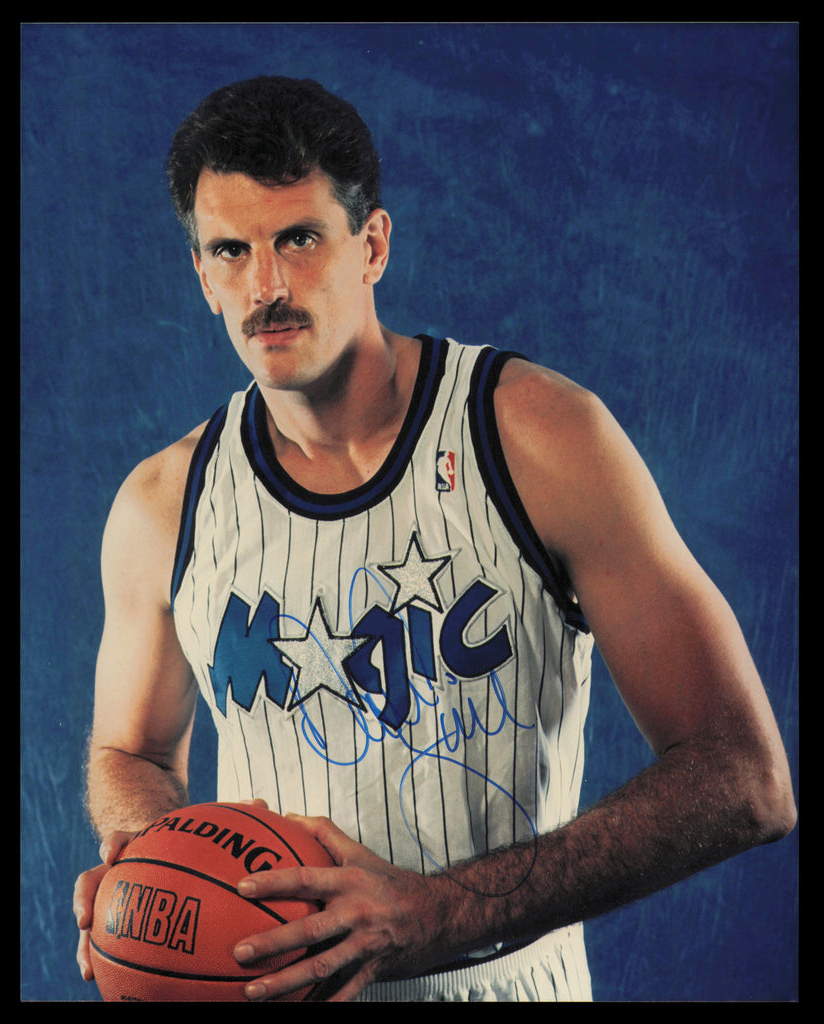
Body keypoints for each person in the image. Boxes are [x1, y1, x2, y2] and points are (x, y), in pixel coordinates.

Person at [72, 75, 796, 1002]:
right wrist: (150, 867)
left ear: (372, 245)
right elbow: (129, 754)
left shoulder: (536, 438)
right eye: (232, 250)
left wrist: (441, 912)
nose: (267, 286)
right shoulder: (165, 504)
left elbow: (743, 777)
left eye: (300, 238)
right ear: (203, 276)